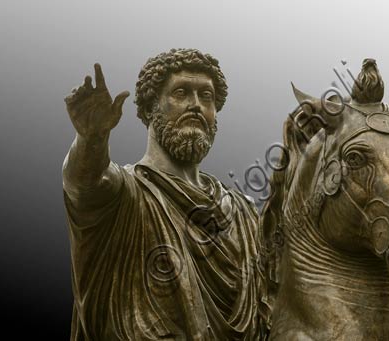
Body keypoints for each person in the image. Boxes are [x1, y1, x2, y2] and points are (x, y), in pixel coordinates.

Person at [63, 48, 269, 340]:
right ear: (149, 109)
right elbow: (84, 183)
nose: (196, 105)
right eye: (181, 92)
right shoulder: (124, 194)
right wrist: (91, 138)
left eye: (206, 96)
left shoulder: (244, 214)